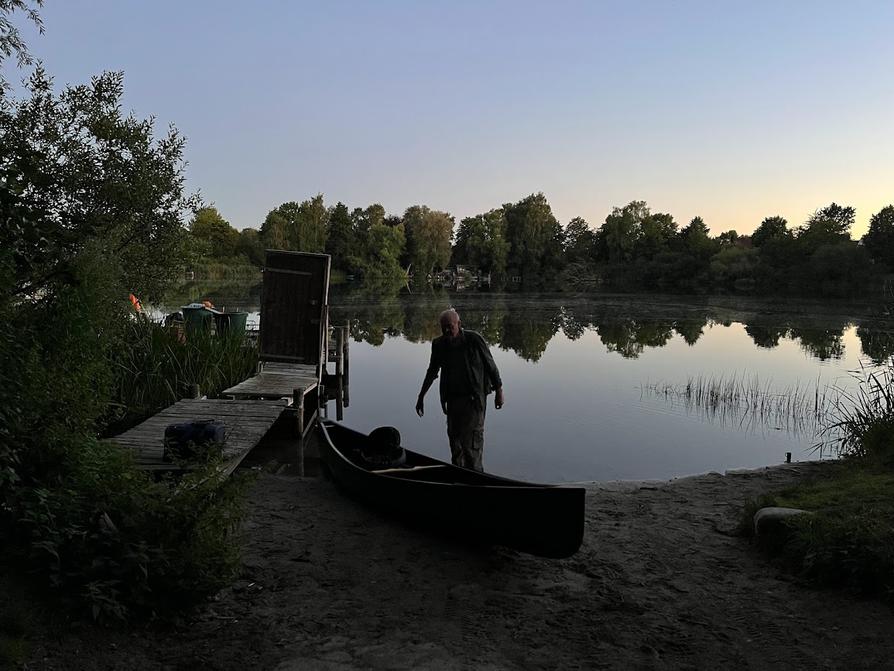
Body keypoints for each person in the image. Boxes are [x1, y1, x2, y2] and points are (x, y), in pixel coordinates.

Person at [415, 308, 504, 471]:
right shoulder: (439, 345)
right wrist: (421, 397)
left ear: (459, 324)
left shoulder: (474, 339)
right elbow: (432, 371)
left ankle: (477, 481)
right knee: (455, 444)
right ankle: (458, 479)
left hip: (473, 400)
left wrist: (499, 391)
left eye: (450, 326)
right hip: (453, 401)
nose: (447, 330)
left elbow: (490, 366)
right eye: (444, 327)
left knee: (471, 446)